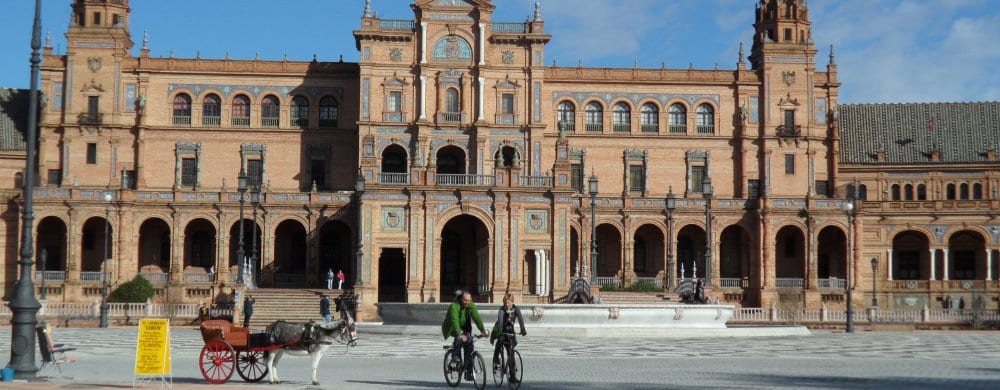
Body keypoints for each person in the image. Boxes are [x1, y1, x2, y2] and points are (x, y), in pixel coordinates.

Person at [442, 291, 487, 382]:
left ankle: (468, 373)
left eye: (469, 300)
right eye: (465, 300)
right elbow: (454, 320)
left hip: (465, 328)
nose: (467, 302)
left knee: (469, 347)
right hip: (452, 328)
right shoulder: (454, 306)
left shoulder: (471, 305)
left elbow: (476, 317)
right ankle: (455, 355)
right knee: (459, 339)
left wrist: (482, 330)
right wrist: (459, 334)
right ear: (461, 299)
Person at [491, 293, 527, 384]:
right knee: (501, 340)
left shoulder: (516, 309)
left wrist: (523, 330)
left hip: (510, 331)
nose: (507, 304)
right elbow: (500, 321)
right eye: (505, 302)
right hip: (501, 330)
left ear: (512, 302)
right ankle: (496, 357)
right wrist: (501, 331)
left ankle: (512, 377)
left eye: (508, 302)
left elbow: (521, 320)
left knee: (511, 354)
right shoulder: (502, 310)